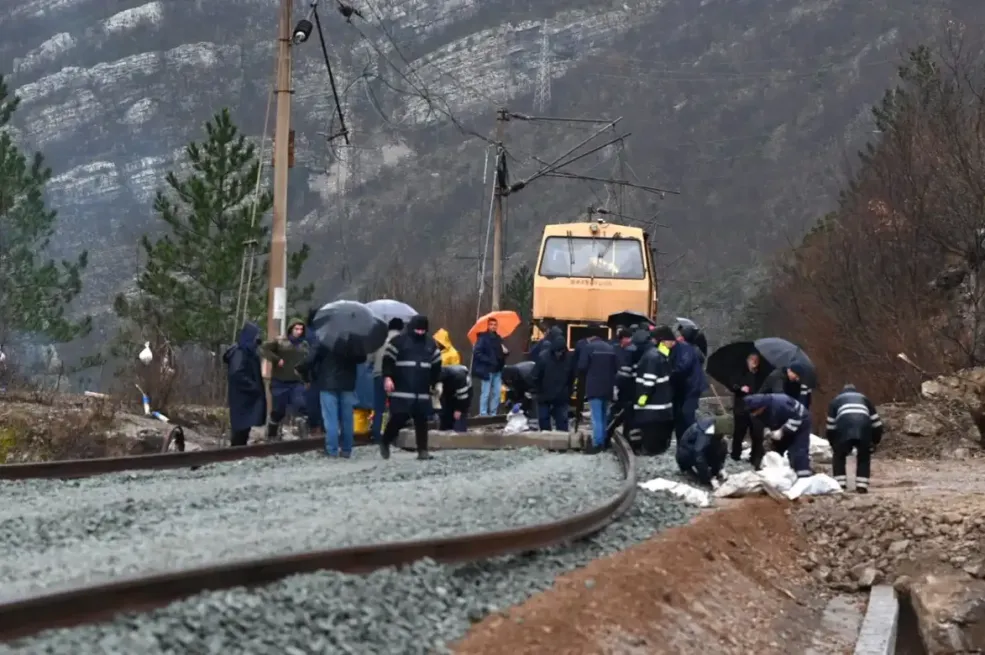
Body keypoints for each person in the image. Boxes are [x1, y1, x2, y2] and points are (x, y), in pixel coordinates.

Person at [381, 314, 442, 460]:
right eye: (418, 330)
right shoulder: (398, 342)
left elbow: (436, 366)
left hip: (422, 389)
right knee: (399, 417)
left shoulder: (430, 344)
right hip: (403, 388)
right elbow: (388, 361)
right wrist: (388, 377)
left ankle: (423, 451)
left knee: (422, 420)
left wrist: (437, 383)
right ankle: (385, 441)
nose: (420, 333)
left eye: (423, 330)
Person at [297, 338, 366, 458]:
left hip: (328, 383)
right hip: (348, 384)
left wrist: (301, 370)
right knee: (347, 419)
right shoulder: (353, 338)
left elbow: (310, 359)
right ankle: (346, 450)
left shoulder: (325, 337)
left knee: (330, 419)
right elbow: (362, 358)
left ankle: (332, 450)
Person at [825, 384, 883, 493]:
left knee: (839, 456)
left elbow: (830, 427)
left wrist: (833, 444)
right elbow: (877, 423)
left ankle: (840, 484)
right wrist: (875, 441)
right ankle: (861, 486)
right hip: (864, 427)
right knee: (864, 456)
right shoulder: (865, 399)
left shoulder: (835, 401)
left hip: (844, 428)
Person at [259, 318, 309, 440]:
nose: (299, 331)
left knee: (300, 405)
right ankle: (271, 434)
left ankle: (304, 437)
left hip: (296, 381)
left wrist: (307, 378)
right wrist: (277, 359)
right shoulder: (280, 342)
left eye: (301, 329)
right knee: (278, 410)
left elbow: (307, 361)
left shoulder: (304, 344)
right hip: (279, 382)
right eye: (296, 329)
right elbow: (264, 349)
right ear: (291, 329)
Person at [743, 393, 813, 479]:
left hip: (802, 421)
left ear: (762, 407)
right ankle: (781, 476)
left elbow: (797, 418)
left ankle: (803, 478)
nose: (754, 414)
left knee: (798, 450)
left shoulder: (780, 404)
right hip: (784, 422)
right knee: (776, 450)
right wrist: (768, 431)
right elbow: (767, 422)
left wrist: (782, 431)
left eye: (754, 411)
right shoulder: (761, 412)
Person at [632, 326, 675, 455]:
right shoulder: (654, 357)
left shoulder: (659, 355)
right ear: (663, 341)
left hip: (659, 403)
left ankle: (654, 449)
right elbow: (649, 379)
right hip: (654, 403)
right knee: (652, 429)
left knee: (656, 429)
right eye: (670, 340)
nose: (673, 343)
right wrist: (644, 395)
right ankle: (649, 449)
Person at [223, 322, 267, 447]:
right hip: (242, 397)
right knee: (240, 427)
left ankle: (239, 450)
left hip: (247, 397)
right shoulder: (240, 353)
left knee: (244, 427)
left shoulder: (249, 351)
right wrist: (253, 387)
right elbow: (236, 373)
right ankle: (236, 450)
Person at [577, 334, 618, 454]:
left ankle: (597, 443)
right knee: (604, 415)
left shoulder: (588, 348)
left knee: (596, 417)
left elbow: (582, 366)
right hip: (608, 387)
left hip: (594, 387)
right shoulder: (610, 348)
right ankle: (604, 441)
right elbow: (616, 368)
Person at [730, 352, 768, 468]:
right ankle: (735, 454)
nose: (754, 362)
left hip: (756, 408)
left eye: (756, 360)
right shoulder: (740, 373)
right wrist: (740, 388)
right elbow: (733, 385)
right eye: (752, 360)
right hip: (741, 406)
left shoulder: (762, 375)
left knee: (756, 434)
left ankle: (755, 457)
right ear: (747, 361)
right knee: (739, 432)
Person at [371, 318, 404, 443]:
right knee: (395, 407)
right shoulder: (402, 341)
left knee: (378, 407)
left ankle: (376, 434)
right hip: (396, 377)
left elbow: (370, 359)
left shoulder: (379, 341)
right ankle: (392, 434)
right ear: (401, 328)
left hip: (378, 375)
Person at [532, 331, 573, 431]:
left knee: (561, 420)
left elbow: (571, 377)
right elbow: (536, 376)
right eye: (558, 351)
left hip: (558, 395)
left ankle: (559, 439)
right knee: (545, 419)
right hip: (546, 394)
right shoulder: (545, 358)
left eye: (561, 351)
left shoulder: (567, 359)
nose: (559, 353)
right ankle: (549, 438)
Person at [669, 331, 706, 442]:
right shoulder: (691, 349)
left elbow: (683, 368)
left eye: (680, 335)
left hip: (690, 387)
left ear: (684, 338)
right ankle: (684, 439)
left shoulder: (688, 350)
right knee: (683, 414)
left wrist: (670, 372)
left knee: (687, 415)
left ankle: (691, 439)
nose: (678, 338)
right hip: (688, 387)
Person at [676, 416, 730, 488]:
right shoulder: (702, 433)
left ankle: (716, 470)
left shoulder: (715, 427)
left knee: (723, 443)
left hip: (701, 449)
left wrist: (720, 467)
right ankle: (687, 470)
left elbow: (719, 445)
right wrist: (709, 478)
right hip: (687, 453)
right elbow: (699, 456)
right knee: (702, 477)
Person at [473, 317, 509, 416]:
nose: (493, 326)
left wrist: (506, 353)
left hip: (498, 369)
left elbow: (501, 354)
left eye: (495, 325)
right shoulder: (483, 338)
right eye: (491, 324)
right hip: (487, 370)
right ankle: (483, 413)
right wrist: (489, 360)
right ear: (488, 326)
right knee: (486, 393)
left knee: (497, 394)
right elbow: (477, 352)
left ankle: (493, 413)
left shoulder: (498, 338)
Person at [608, 328, 636, 446]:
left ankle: (622, 435)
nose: (629, 340)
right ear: (623, 338)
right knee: (617, 411)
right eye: (628, 338)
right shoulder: (615, 349)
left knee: (624, 413)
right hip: (619, 385)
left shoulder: (631, 349)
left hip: (627, 387)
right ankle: (608, 432)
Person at [304, 308, 324, 435]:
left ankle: (313, 428)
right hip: (317, 373)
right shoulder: (319, 335)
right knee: (318, 402)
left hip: (309, 374)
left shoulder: (306, 333)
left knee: (312, 402)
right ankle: (318, 428)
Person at [438, 364, 471, 431]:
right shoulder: (438, 377)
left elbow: (463, 397)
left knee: (459, 421)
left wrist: (459, 410)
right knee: (445, 419)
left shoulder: (459, 377)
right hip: (449, 393)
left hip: (464, 395)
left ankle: (460, 432)